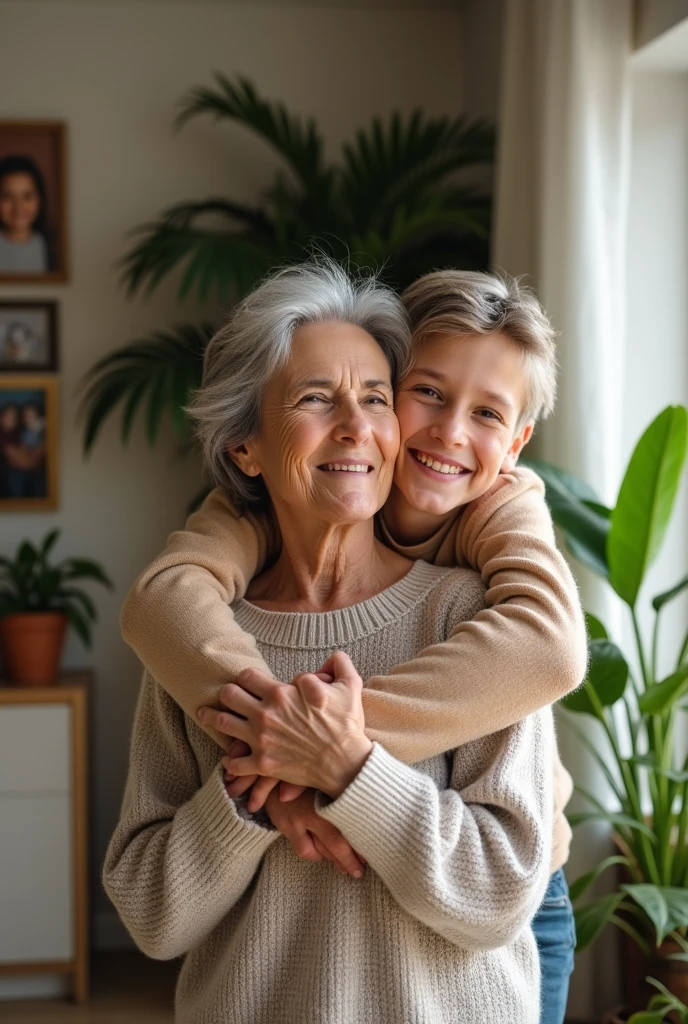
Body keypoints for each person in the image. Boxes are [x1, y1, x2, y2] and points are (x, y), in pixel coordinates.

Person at [121, 267, 586, 1023]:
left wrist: (337, 758)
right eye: (425, 393)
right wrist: (256, 795)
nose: (447, 431)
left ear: (515, 446)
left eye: (372, 396)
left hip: (515, 922)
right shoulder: (202, 636)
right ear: (248, 448)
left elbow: (552, 648)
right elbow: (149, 913)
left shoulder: (482, 593)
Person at [0, 155, 52, 273]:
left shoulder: (50, 247)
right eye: (7, 196)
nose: (18, 207)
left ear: (40, 199)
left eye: (27, 196)